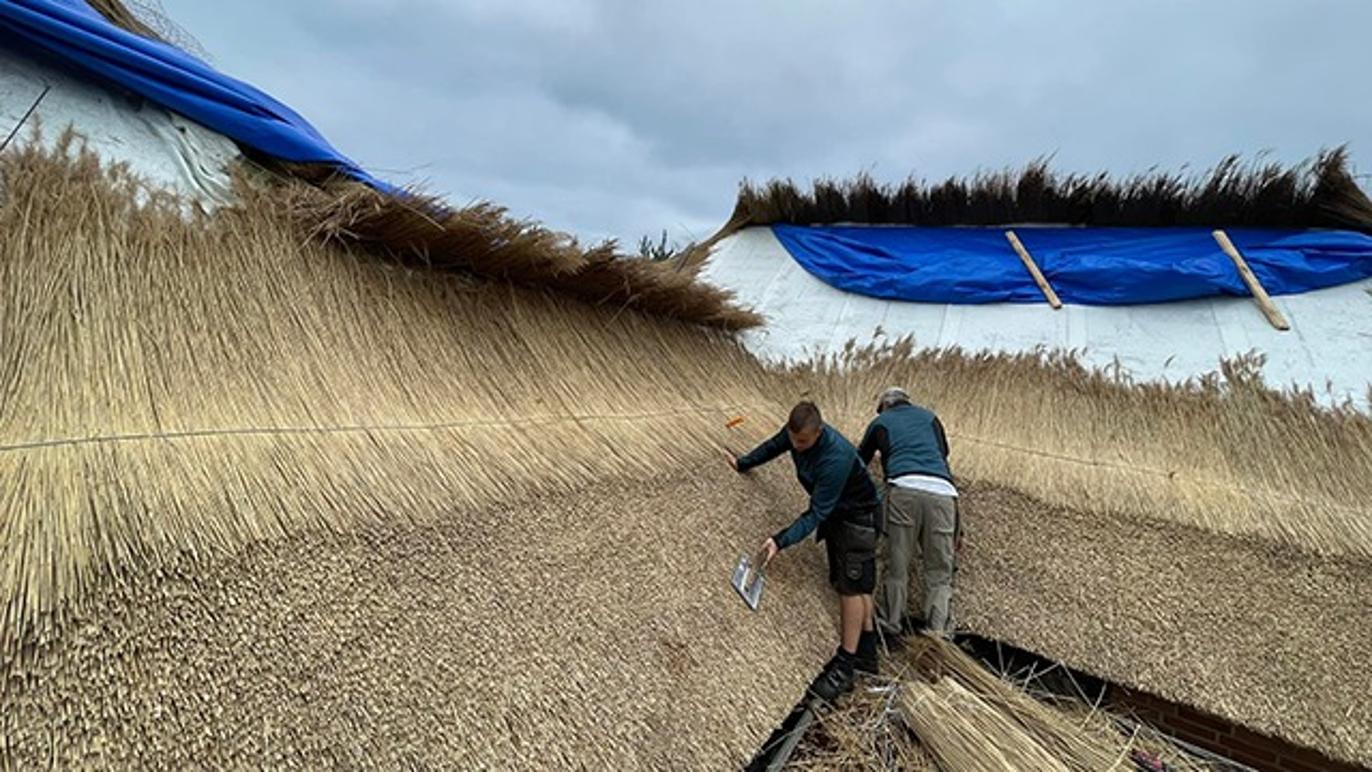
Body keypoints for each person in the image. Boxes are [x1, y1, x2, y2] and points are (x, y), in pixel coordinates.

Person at [726, 401, 881, 702]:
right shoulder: (795, 435)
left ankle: (845, 667)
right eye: (794, 439)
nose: (796, 447)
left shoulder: (835, 458)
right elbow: (774, 446)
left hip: (858, 517)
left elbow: (816, 514)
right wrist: (744, 463)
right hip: (841, 514)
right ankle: (867, 654)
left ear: (819, 433)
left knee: (851, 588)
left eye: (803, 442)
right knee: (858, 584)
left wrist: (779, 540)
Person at [857, 387, 958, 638]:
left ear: (884, 406)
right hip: (944, 495)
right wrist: (960, 525)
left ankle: (891, 623)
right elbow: (941, 457)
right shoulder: (931, 418)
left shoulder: (880, 422)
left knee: (897, 562)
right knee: (939, 572)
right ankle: (937, 631)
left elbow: (860, 461)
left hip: (904, 490)